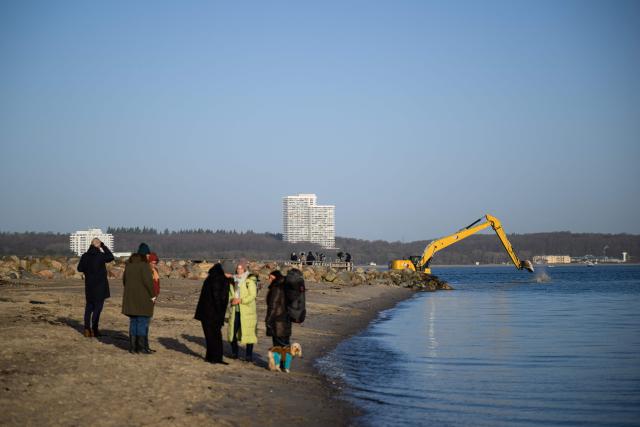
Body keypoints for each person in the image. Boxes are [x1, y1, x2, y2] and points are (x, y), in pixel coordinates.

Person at [77, 238, 114, 337]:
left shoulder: (85, 256)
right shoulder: (100, 256)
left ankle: (86, 329)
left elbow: (79, 268)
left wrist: (87, 271)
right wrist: (103, 246)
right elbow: (111, 257)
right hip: (100, 287)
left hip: (89, 286)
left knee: (89, 308)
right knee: (98, 308)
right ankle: (94, 329)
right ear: (98, 245)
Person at [195, 263, 230, 364]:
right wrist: (220, 312)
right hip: (211, 313)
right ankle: (214, 358)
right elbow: (217, 297)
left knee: (213, 336)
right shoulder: (217, 279)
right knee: (213, 336)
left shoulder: (214, 277)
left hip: (208, 312)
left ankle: (213, 357)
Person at [122, 246, 155, 354]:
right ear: (145, 254)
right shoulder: (144, 266)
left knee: (133, 322)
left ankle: (132, 347)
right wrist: (153, 295)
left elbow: (124, 281)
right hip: (143, 299)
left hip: (130, 298)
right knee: (141, 322)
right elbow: (148, 283)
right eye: (148, 254)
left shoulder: (129, 265)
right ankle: (141, 348)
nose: (149, 256)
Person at [226, 259, 258, 362]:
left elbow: (253, 295)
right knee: (232, 332)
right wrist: (232, 299)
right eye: (238, 268)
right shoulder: (232, 280)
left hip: (247, 311)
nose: (239, 270)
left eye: (241, 268)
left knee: (249, 333)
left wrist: (240, 300)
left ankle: (248, 355)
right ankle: (234, 353)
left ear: (244, 269)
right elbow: (230, 294)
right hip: (235, 311)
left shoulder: (250, 280)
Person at [265, 270, 291, 348]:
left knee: (277, 345)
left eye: (270, 277)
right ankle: (286, 360)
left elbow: (273, 305)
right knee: (286, 344)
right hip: (287, 319)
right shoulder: (285, 286)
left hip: (277, 321)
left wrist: (268, 319)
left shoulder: (276, 288)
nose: (269, 280)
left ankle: (278, 360)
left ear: (275, 277)